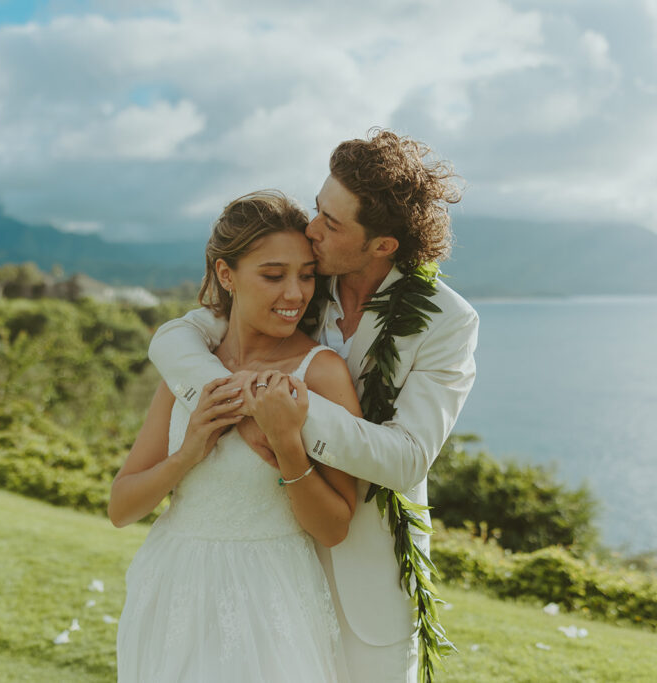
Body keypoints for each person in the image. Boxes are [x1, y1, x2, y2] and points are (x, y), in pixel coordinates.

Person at [148, 129, 480, 682]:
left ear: (382, 246)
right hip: (263, 560)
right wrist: (245, 402)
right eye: (318, 207)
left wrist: (288, 419)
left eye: (332, 222)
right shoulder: (301, 277)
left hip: (364, 579)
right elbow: (178, 338)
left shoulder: (449, 321)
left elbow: (406, 459)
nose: (312, 228)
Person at [110, 190, 362, 682]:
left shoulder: (321, 373)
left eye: (307, 276)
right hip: (171, 590)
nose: (295, 294)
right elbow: (122, 507)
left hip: (269, 602)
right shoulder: (188, 372)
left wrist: (288, 446)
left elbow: (334, 527)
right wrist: (187, 455)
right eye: (273, 275)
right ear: (227, 275)